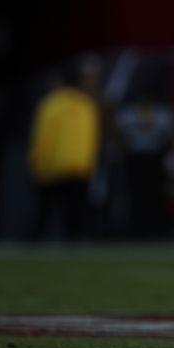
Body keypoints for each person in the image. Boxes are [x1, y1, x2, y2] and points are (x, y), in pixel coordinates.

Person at [27, 56, 102, 241]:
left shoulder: (52, 103)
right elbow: (92, 140)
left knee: (45, 210)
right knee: (74, 214)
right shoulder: (86, 105)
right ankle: (73, 244)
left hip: (53, 167)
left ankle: (35, 242)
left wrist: (36, 162)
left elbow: (43, 136)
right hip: (79, 167)